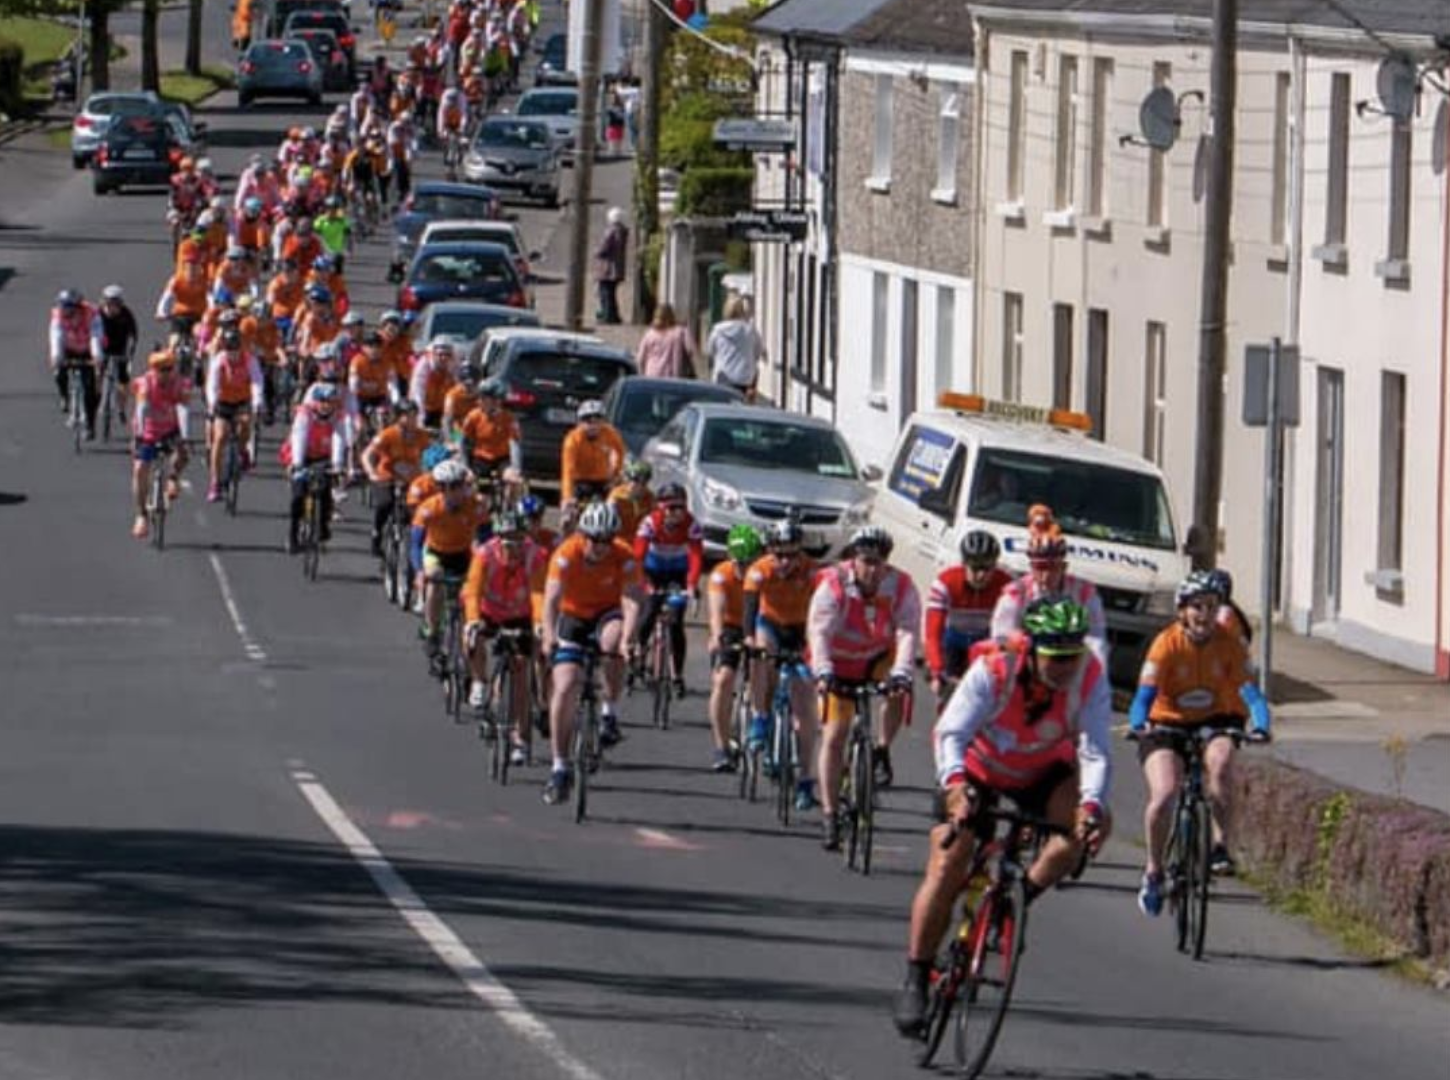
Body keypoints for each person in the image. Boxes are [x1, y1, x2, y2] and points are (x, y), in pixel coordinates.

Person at [892, 599, 1113, 1036]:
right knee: (947, 862)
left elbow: (1096, 749)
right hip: (979, 769)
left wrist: (1090, 805)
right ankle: (916, 976)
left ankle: (1017, 898)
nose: (1066, 668)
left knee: (1084, 831)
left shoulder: (1089, 677)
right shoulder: (994, 671)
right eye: (1056, 658)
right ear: (1032, 649)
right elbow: (952, 732)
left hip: (1043, 770)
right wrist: (955, 786)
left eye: (1073, 656)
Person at [1130, 571, 1271, 914]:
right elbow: (1142, 697)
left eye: (1211, 606)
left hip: (1214, 719)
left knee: (1221, 763)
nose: (1204, 614)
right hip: (1167, 721)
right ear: (1182, 611)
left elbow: (1251, 694)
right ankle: (1153, 870)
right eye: (1196, 607)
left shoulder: (1229, 643)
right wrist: (1138, 723)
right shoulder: (1165, 644)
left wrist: (1263, 724)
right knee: (1165, 794)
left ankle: (1221, 845)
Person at [808, 525, 920, 850]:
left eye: (879, 561)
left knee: (900, 689)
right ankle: (830, 813)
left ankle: (882, 748)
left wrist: (902, 671)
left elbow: (908, 631)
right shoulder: (833, 584)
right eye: (866, 560)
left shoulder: (900, 585)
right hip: (837, 663)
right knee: (835, 733)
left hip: (875, 659)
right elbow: (819, 634)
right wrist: (824, 671)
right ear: (854, 559)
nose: (873, 569)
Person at [540, 502, 645, 805]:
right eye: (594, 539)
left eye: (606, 540)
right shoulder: (566, 554)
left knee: (613, 644)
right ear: (583, 536)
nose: (600, 547)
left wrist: (628, 638)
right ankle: (559, 766)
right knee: (565, 685)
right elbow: (551, 600)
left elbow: (631, 601)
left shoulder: (623, 555)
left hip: (607, 613)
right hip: (572, 616)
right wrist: (548, 635)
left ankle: (609, 710)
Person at [744, 517, 820, 807]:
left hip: (802, 629)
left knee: (805, 717)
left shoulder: (813, 571)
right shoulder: (759, 570)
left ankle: (805, 780)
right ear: (769, 551)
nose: (785, 561)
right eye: (779, 554)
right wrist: (749, 638)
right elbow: (750, 609)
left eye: (792, 554)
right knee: (762, 654)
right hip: (770, 624)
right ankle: (761, 717)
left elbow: (826, 608)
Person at [463, 510, 546, 763]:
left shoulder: (536, 556)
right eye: (509, 540)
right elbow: (473, 590)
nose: (515, 546)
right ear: (499, 540)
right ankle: (478, 680)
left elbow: (538, 593)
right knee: (472, 636)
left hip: (520, 615)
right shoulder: (485, 555)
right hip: (489, 612)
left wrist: (540, 622)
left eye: (520, 539)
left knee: (521, 674)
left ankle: (520, 738)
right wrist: (473, 620)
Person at [990, 505, 1108, 669]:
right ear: (1031, 567)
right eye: (1040, 568)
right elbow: (1001, 638)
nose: (1045, 576)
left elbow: (1097, 640)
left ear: (1064, 567)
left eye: (1052, 568)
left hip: (1069, 664)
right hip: (1025, 664)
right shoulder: (1015, 593)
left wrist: (1097, 674)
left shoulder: (1085, 593)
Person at [411, 458, 490, 664]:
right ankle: (432, 630)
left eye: (459, 485)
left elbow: (487, 541)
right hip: (436, 553)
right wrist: (420, 572)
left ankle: (467, 632)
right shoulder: (428, 508)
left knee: (472, 590)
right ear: (441, 489)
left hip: (463, 553)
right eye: (450, 487)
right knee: (435, 580)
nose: (456, 492)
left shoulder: (476, 505)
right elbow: (415, 545)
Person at [632, 481, 703, 697]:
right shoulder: (650, 523)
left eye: (680, 507)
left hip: (677, 574)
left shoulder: (691, 525)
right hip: (652, 571)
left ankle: (677, 675)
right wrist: (645, 583)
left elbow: (696, 557)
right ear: (660, 508)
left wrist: (691, 585)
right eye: (670, 508)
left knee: (675, 623)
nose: (676, 513)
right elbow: (637, 557)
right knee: (649, 613)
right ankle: (640, 655)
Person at [924, 530, 1013, 702]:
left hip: (986, 645)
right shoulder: (946, 582)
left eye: (987, 568)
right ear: (964, 564)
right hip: (954, 644)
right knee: (947, 699)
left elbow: (1012, 631)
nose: (981, 575)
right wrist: (937, 670)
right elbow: (932, 635)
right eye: (976, 567)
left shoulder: (1006, 584)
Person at [706, 524, 762, 772]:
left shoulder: (764, 575)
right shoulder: (721, 575)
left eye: (750, 562)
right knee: (723, 680)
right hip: (730, 626)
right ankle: (721, 746)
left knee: (762, 678)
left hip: (758, 626)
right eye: (741, 564)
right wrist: (717, 636)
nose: (745, 569)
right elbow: (716, 610)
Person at [130, 349, 191, 540]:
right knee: (140, 469)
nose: (165, 373)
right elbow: (142, 409)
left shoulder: (179, 384)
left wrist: (185, 436)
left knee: (184, 453)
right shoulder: (145, 384)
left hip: (169, 429)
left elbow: (183, 409)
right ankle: (141, 515)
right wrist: (139, 436)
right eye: (161, 369)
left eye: (169, 369)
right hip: (147, 432)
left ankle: (173, 477)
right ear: (153, 370)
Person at [283, 383, 347, 553]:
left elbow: (339, 439)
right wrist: (297, 464)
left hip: (324, 456)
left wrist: (338, 465)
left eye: (330, 402)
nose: (326, 405)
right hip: (303, 455)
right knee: (298, 495)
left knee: (326, 491)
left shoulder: (338, 416)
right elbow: (299, 436)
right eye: (322, 401)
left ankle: (322, 526)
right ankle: (293, 534)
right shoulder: (305, 413)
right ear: (316, 401)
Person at [361, 398, 428, 555]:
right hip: (387, 477)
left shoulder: (421, 436)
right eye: (408, 415)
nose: (412, 419)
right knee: (385, 503)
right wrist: (372, 473)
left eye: (414, 415)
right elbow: (367, 454)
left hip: (411, 480)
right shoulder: (388, 434)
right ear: (399, 417)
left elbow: (431, 455)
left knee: (416, 510)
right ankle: (377, 532)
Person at [204, 329, 264, 501]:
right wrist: (212, 403)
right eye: (230, 349)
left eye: (236, 349)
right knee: (220, 436)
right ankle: (215, 482)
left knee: (245, 424)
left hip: (242, 401)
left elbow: (257, 381)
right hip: (223, 402)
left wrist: (257, 402)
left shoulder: (249, 360)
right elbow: (212, 384)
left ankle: (243, 449)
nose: (233, 354)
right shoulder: (219, 361)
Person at [48, 288, 103, 438]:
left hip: (87, 349)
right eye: (62, 306)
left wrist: (97, 355)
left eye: (68, 307)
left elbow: (95, 336)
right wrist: (56, 355)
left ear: (78, 308)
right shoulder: (58, 316)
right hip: (68, 348)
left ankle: (90, 426)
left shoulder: (92, 314)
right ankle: (64, 396)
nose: (64, 310)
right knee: (59, 372)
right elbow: (56, 336)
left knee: (89, 390)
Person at [559, 399, 626, 508]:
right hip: (580, 481)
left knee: (616, 506)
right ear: (580, 423)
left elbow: (621, 451)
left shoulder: (610, 433)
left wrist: (616, 473)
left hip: (603, 480)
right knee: (569, 513)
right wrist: (567, 497)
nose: (593, 426)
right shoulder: (572, 440)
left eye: (597, 421)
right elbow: (568, 471)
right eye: (588, 421)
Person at [459, 377, 523, 488]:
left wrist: (516, 468)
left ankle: (512, 504)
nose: (480, 401)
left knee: (513, 480)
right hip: (481, 458)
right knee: (468, 481)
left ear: (497, 400)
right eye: (481, 397)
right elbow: (463, 442)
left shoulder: (509, 418)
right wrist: (465, 467)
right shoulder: (473, 416)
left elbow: (515, 445)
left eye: (484, 398)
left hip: (502, 459)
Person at [705, 296, 765, 399]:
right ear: (742, 310)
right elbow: (758, 352)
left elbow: (710, 351)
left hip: (722, 378)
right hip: (744, 380)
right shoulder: (750, 331)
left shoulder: (717, 330)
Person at [98, 284, 139, 425]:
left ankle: (121, 408)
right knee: (97, 373)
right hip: (102, 349)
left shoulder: (126, 315)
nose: (111, 308)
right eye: (108, 304)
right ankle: (95, 399)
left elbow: (133, 335)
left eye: (115, 304)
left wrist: (130, 353)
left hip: (120, 349)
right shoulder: (98, 314)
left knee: (124, 379)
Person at [635, 302, 696, 379]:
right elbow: (689, 351)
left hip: (650, 375)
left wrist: (642, 374)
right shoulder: (678, 333)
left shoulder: (649, 334)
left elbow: (640, 359)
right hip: (669, 377)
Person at [410, 336, 459, 429]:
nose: (443, 358)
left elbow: (459, 389)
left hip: (443, 407)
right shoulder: (424, 365)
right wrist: (420, 419)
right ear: (433, 354)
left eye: (447, 354)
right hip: (425, 406)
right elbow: (418, 393)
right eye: (440, 354)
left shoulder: (455, 363)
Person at [593, 207, 628, 325]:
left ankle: (607, 316)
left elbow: (604, 247)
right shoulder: (623, 231)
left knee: (605, 292)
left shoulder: (611, 231)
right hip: (617, 267)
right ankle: (614, 316)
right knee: (611, 293)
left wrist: (596, 251)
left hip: (607, 268)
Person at [607, 458, 655, 542]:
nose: (636, 485)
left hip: (640, 540)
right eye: (633, 479)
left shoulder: (650, 497)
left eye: (642, 482)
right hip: (620, 541)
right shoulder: (616, 496)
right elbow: (608, 521)